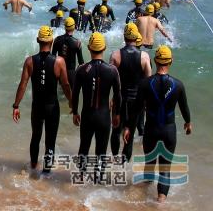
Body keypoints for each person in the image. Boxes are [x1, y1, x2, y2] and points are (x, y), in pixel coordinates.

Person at [123, 45, 192, 203]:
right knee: (165, 167)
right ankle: (160, 202)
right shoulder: (178, 85)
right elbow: (185, 109)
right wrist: (188, 123)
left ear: (155, 61)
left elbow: (136, 110)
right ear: (171, 61)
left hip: (151, 131)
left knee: (149, 163)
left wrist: (128, 128)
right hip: (169, 131)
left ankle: (142, 198)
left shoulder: (145, 84)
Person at [12, 26, 72, 172]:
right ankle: (46, 173)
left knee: (36, 137)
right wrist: (72, 102)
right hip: (52, 107)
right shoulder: (59, 62)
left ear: (38, 40)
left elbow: (23, 85)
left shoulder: (30, 61)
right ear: (51, 40)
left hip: (37, 106)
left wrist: (16, 106)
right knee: (50, 141)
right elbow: (65, 84)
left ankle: (33, 165)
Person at [72, 32, 122, 177]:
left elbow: (75, 94)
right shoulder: (112, 70)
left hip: (87, 116)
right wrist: (117, 114)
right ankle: (98, 180)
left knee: (84, 148)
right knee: (101, 151)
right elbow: (118, 95)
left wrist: (75, 112)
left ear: (89, 48)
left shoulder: (81, 69)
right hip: (104, 117)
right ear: (104, 48)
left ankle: (80, 178)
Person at [109, 23, 152, 162]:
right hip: (136, 101)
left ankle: (115, 159)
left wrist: (111, 99)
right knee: (131, 133)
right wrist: (146, 102)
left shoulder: (115, 56)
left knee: (116, 131)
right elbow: (148, 83)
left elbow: (110, 80)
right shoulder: (144, 57)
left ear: (124, 36)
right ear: (136, 37)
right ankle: (124, 164)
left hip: (120, 99)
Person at [52, 17, 84, 88]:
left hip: (60, 72)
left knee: (61, 92)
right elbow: (81, 63)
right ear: (74, 27)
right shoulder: (77, 42)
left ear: (65, 27)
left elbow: (53, 58)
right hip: (71, 73)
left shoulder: (57, 40)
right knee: (70, 95)